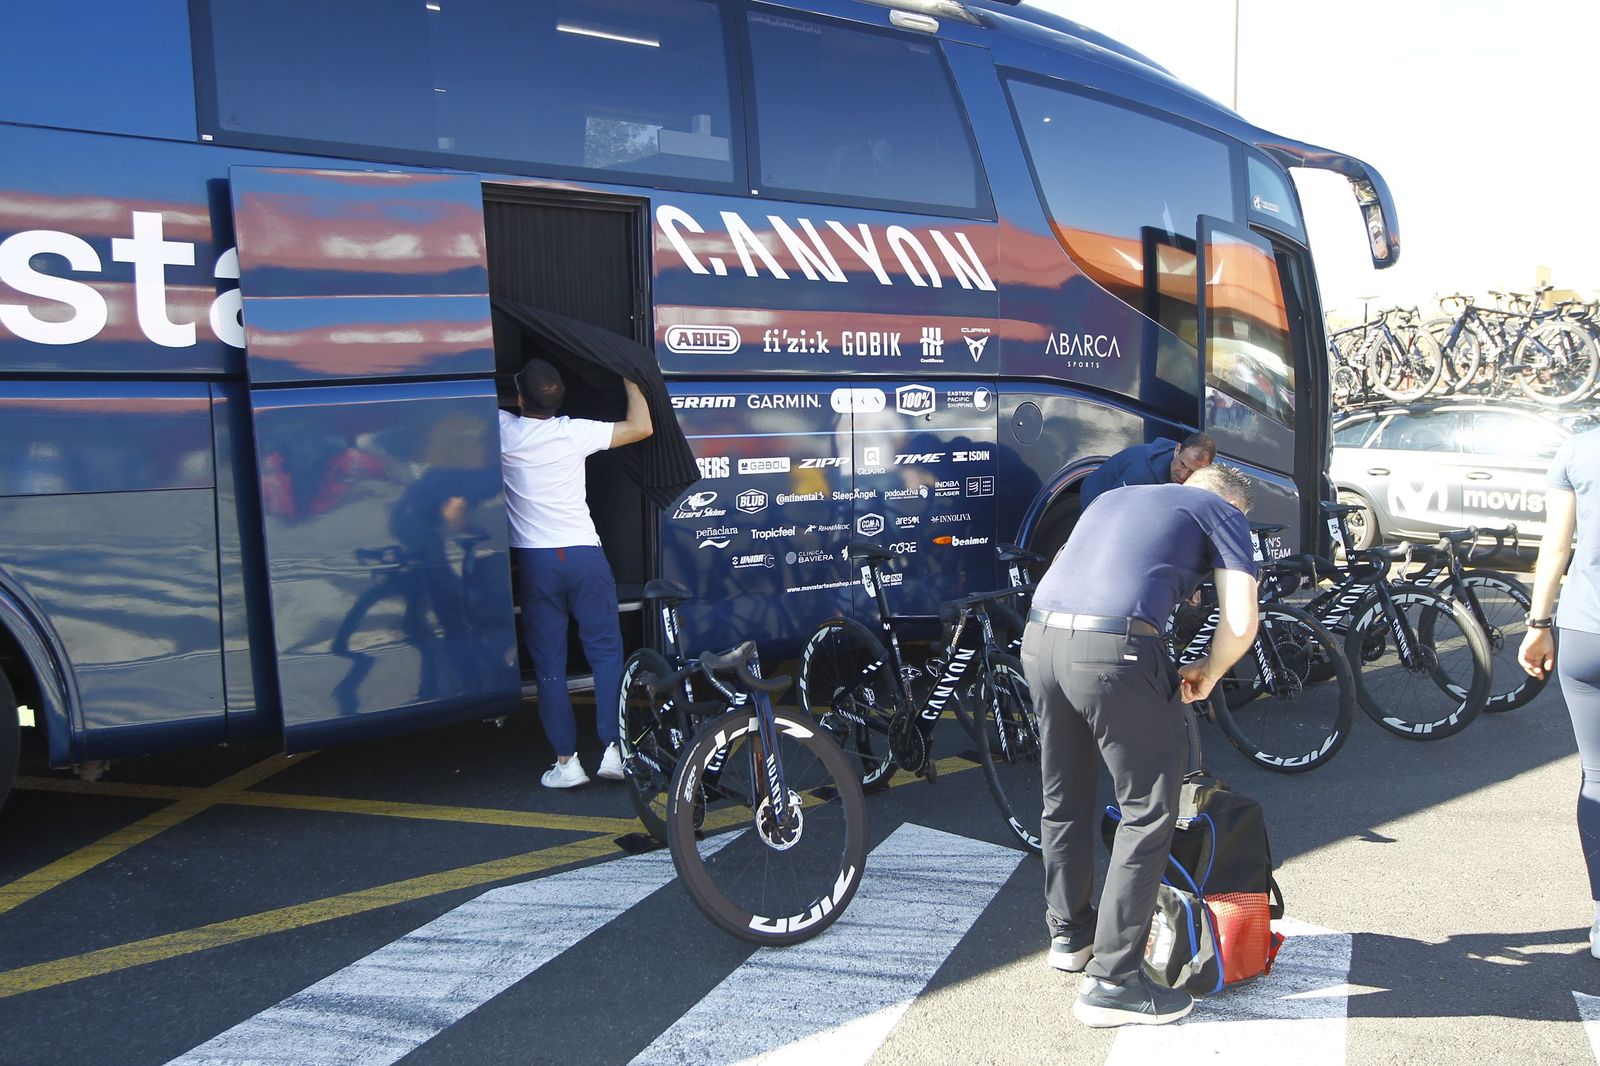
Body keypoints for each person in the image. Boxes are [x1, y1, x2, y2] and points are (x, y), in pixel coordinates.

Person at [1020, 464, 1259, 1027]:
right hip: (1116, 649)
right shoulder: (1223, 512)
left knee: (1066, 799)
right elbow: (1242, 620)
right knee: (1148, 810)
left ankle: (1070, 937)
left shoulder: (1115, 500)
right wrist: (1211, 669)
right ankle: (1114, 981)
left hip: (1040, 640)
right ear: (1232, 504)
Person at [501, 359, 653, 788]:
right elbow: (640, 427)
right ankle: (614, 752)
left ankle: (567, 765)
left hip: (537, 563)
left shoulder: (503, 431)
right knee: (606, 654)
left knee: (549, 664)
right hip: (586, 556)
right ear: (560, 400)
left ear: (518, 399)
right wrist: (631, 378)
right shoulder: (573, 431)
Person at [1518, 424, 1600, 953]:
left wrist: (1537, 622)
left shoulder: (1579, 449)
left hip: (1586, 630)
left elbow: (1555, 547)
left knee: (1598, 778)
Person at [1078, 431, 1216, 512]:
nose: (1183, 475)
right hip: (1093, 502)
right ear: (1177, 449)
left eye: (1193, 472)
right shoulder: (1142, 471)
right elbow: (1113, 509)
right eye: (1182, 464)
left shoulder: (1201, 483)